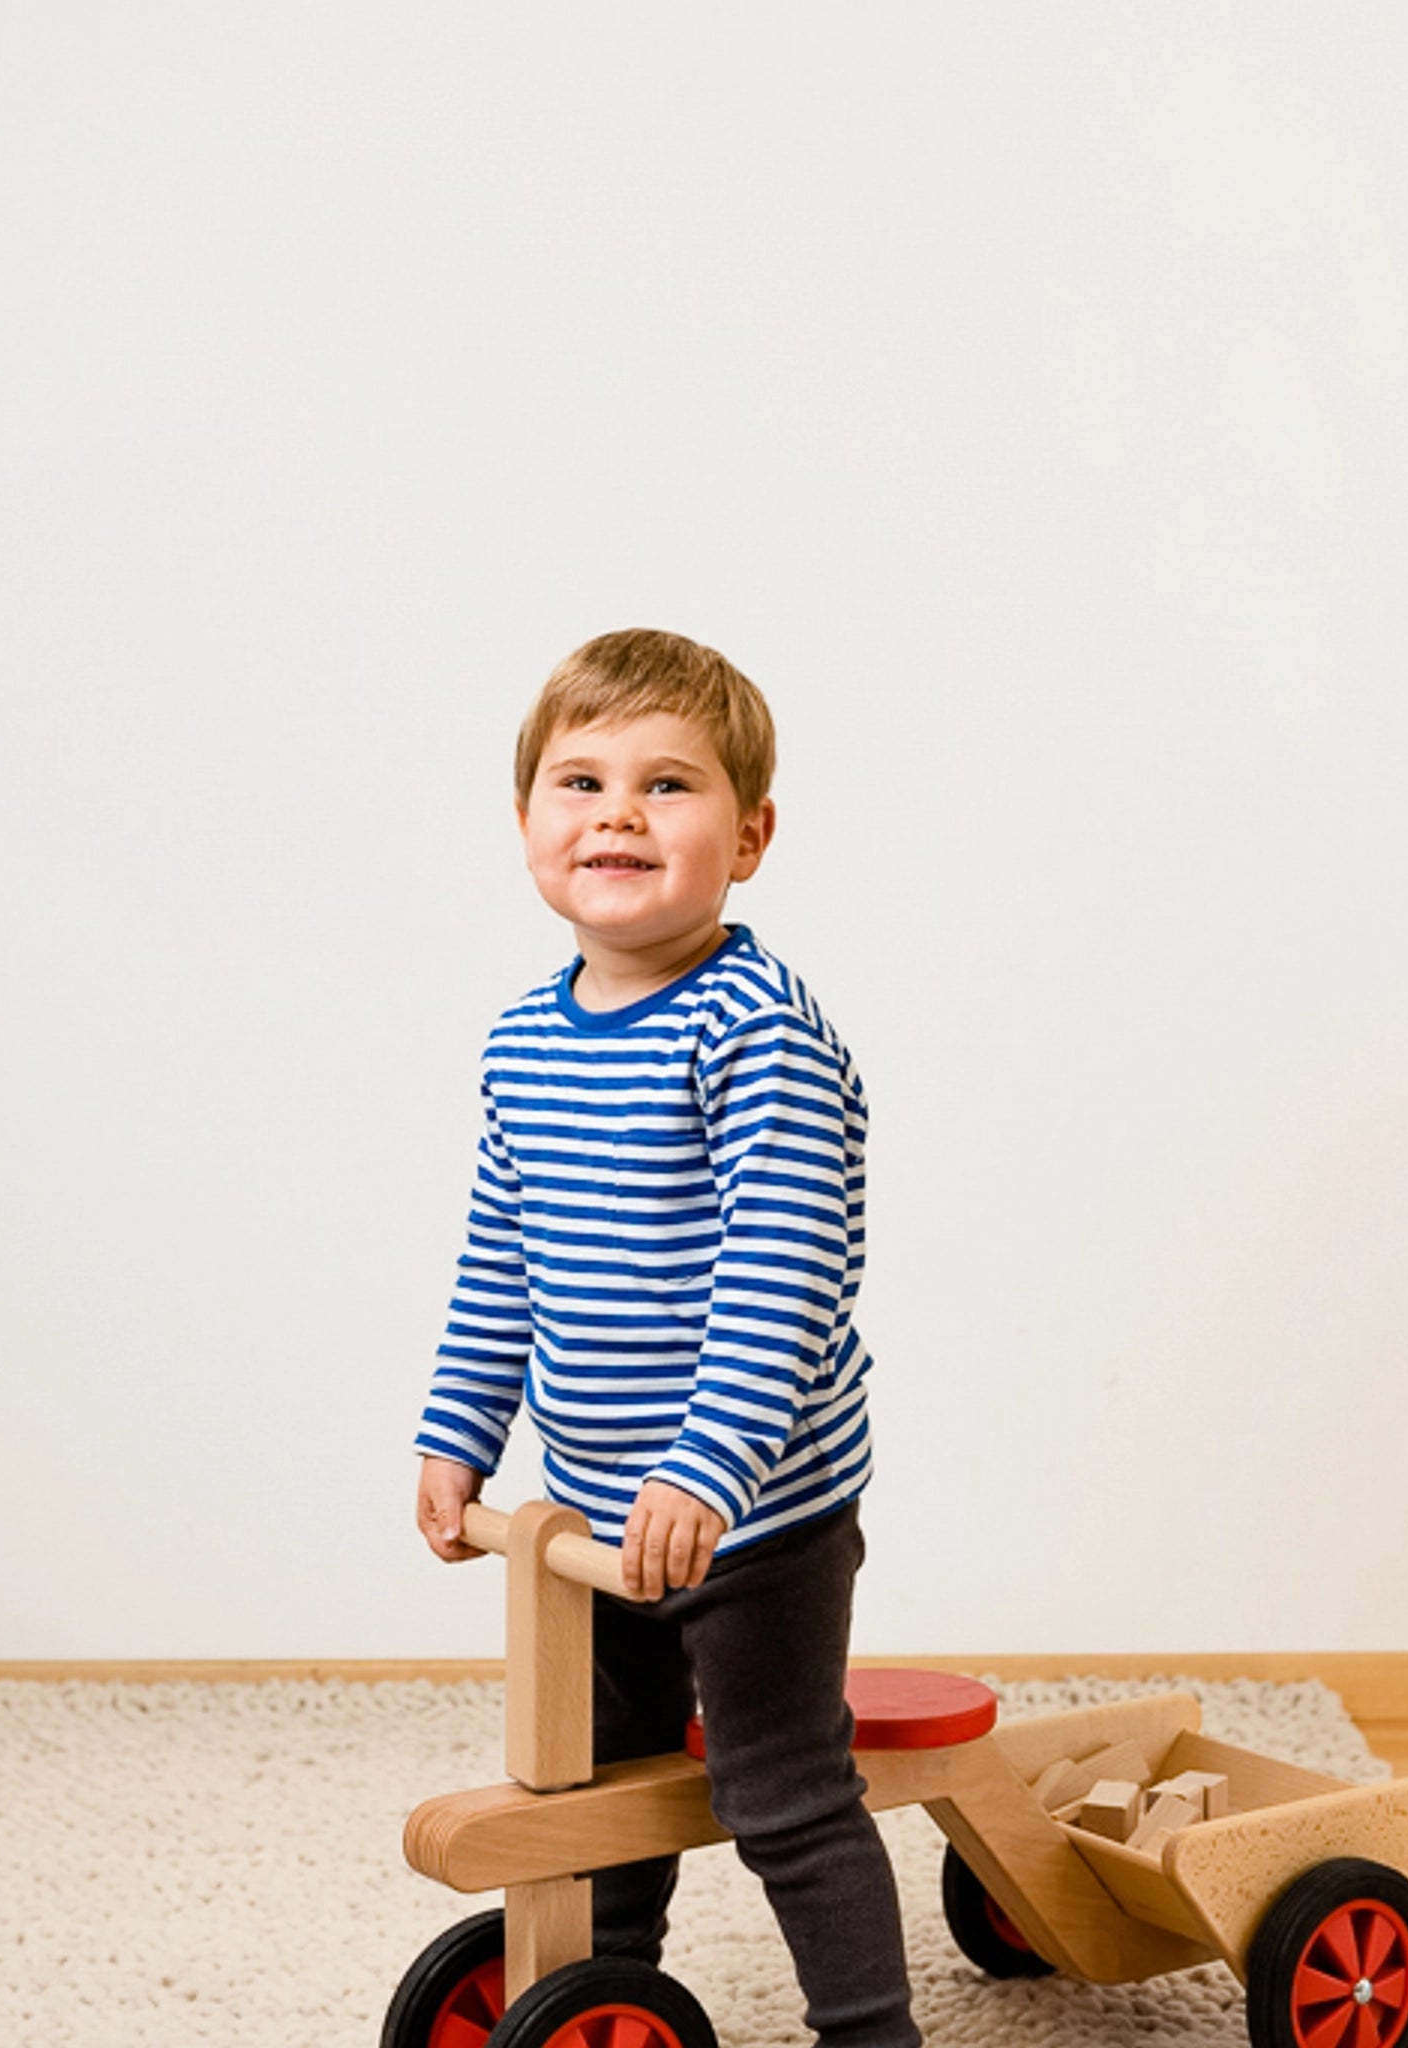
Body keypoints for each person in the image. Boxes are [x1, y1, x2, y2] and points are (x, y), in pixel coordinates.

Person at [412, 628, 918, 2048]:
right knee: (606, 1777)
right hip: (593, 1512)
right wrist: (458, 1432)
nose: (618, 814)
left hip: (752, 1512)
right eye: (580, 781)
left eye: (668, 787)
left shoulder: (755, 1031)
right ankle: (602, 1993)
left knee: (778, 1791)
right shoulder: (529, 1037)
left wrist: (709, 1474)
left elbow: (785, 1272)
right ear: (527, 828)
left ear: (748, 837)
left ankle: (872, 2031)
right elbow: (500, 1255)